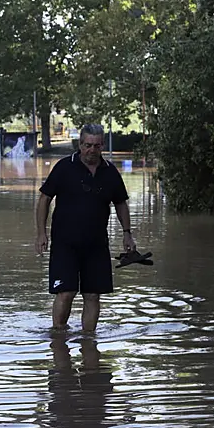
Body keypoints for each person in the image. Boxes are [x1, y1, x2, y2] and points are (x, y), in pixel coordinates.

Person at [34, 123, 136, 332]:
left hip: (97, 244)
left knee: (92, 294)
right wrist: (41, 233)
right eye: (87, 145)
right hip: (65, 242)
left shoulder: (110, 172)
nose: (92, 150)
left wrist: (127, 234)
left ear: (102, 146)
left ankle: (89, 341)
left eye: (96, 146)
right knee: (66, 292)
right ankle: (59, 336)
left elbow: (120, 203)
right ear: (80, 144)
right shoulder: (64, 167)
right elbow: (45, 198)